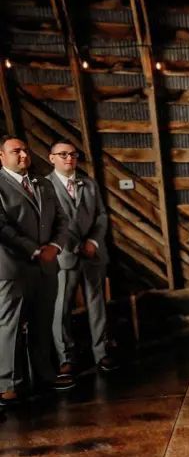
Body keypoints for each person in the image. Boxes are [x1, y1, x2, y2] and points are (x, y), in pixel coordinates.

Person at [0, 135, 71, 407]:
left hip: (46, 266)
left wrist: (54, 246)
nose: (23, 155)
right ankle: (8, 384)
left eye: (25, 150)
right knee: (11, 326)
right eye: (15, 151)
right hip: (13, 268)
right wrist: (34, 249)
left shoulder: (42, 183)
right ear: (2, 157)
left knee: (42, 322)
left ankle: (44, 375)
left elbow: (62, 220)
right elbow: (3, 227)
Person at [47, 140, 114, 380]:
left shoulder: (89, 183)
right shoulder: (45, 186)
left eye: (73, 154)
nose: (69, 159)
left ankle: (102, 352)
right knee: (61, 307)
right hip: (65, 255)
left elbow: (102, 216)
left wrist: (93, 242)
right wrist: (75, 245)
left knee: (97, 304)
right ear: (51, 158)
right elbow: (49, 224)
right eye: (62, 154)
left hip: (93, 254)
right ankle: (66, 358)